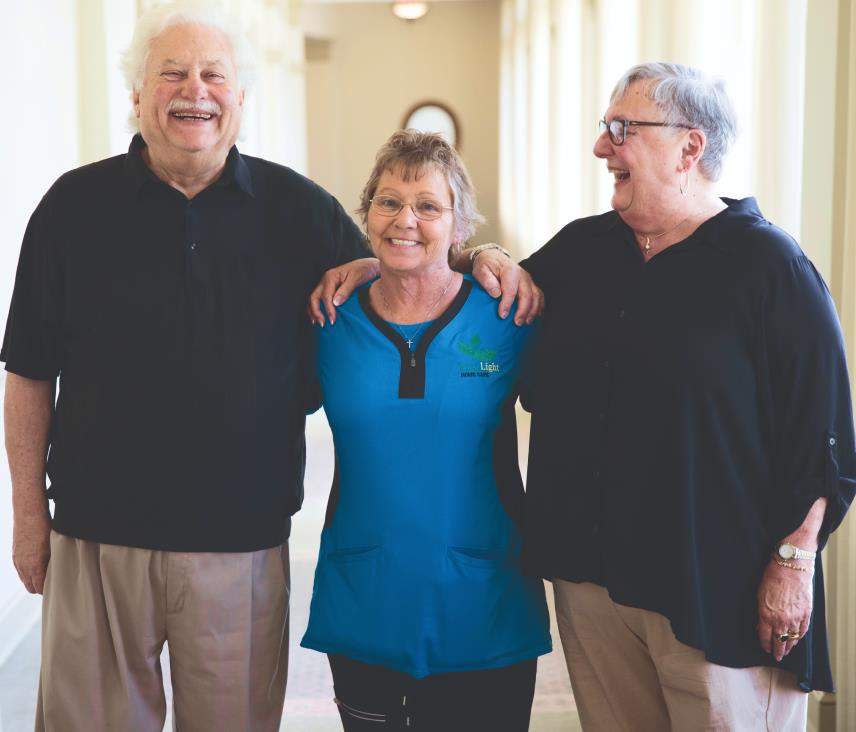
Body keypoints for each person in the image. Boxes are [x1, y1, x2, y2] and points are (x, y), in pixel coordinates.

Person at [2, 3, 536, 730]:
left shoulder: (298, 211)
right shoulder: (72, 208)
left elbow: (406, 256)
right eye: (172, 73)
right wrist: (29, 516)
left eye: (214, 74)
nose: (196, 90)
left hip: (239, 541)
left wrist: (483, 256)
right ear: (136, 95)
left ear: (241, 98)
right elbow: (27, 370)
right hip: (98, 536)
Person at [519, 62, 856, 730]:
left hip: (717, 586)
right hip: (594, 580)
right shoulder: (583, 250)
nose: (600, 147)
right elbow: (492, 301)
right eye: (603, 128)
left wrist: (792, 566)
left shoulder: (771, 268)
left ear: (689, 148)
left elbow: (824, 437)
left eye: (621, 129)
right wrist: (477, 256)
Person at [300, 130, 552, 731]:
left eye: (428, 206)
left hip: (485, 600)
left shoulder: (507, 317)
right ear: (367, 216)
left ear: (459, 224)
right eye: (388, 203)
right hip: (365, 598)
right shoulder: (327, 321)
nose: (404, 220)